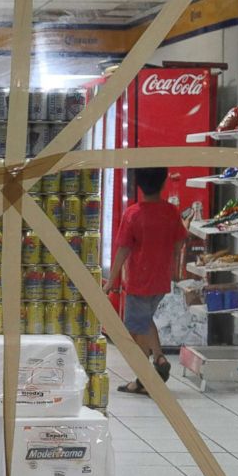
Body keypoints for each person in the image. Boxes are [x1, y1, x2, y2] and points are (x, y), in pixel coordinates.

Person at [102, 168, 189, 395]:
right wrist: (174, 268)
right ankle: (151, 368)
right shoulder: (171, 211)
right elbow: (180, 242)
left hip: (140, 279)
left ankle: (152, 369)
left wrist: (111, 281)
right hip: (160, 278)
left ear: (138, 185)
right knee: (143, 322)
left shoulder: (133, 214)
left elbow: (123, 249)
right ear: (163, 184)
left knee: (139, 327)